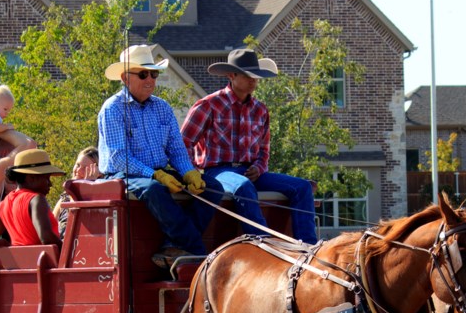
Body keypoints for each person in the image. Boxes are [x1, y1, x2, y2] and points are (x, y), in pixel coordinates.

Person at [98, 44, 224, 269]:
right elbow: (118, 158)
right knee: (154, 189)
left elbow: (176, 149)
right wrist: (154, 174)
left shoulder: (162, 107)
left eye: (154, 74)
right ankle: (196, 251)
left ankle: (173, 245)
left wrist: (189, 172)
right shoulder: (113, 109)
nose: (150, 80)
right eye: (143, 74)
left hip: (158, 171)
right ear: (125, 78)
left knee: (212, 186)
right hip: (122, 174)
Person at [181, 48, 318, 244]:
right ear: (232, 75)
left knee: (302, 187)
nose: (253, 80)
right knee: (243, 186)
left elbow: (264, 150)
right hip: (217, 172)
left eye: (256, 75)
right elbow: (184, 143)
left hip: (250, 171)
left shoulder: (260, 110)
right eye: (247, 75)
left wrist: (259, 167)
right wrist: (192, 173)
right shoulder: (208, 105)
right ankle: (264, 244)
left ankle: (308, 247)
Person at [0, 148, 64, 249]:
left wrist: (5, 243)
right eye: (46, 178)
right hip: (42, 262)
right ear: (31, 178)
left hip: (18, 264)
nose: (50, 184)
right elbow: (46, 237)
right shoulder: (36, 199)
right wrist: (67, 250)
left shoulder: (4, 203)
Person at [52, 146, 101, 237]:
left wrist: (88, 186)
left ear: (97, 172)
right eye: (77, 165)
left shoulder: (100, 196)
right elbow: (51, 223)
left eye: (85, 168)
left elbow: (79, 219)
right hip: (62, 246)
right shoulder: (65, 196)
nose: (78, 170)